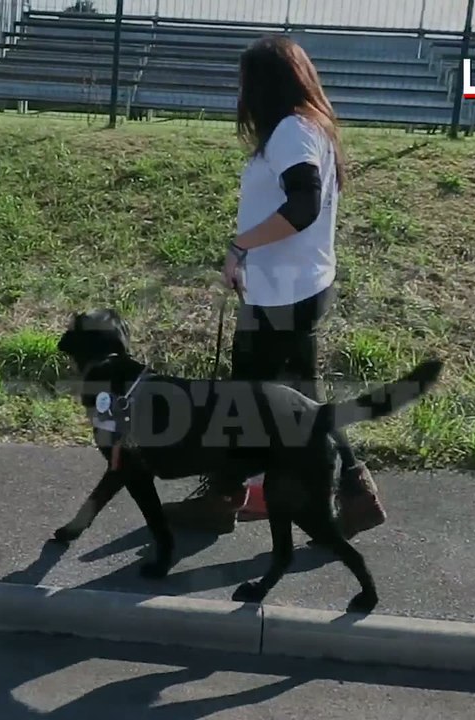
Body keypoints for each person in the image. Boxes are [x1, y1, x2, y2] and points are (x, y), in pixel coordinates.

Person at [161, 35, 386, 538]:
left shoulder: (290, 131)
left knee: (248, 398)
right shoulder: (311, 127)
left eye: (245, 82)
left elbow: (303, 205)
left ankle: (225, 496)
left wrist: (241, 246)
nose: (240, 92)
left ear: (265, 84)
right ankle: (352, 492)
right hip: (294, 286)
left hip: (283, 292)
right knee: (294, 397)